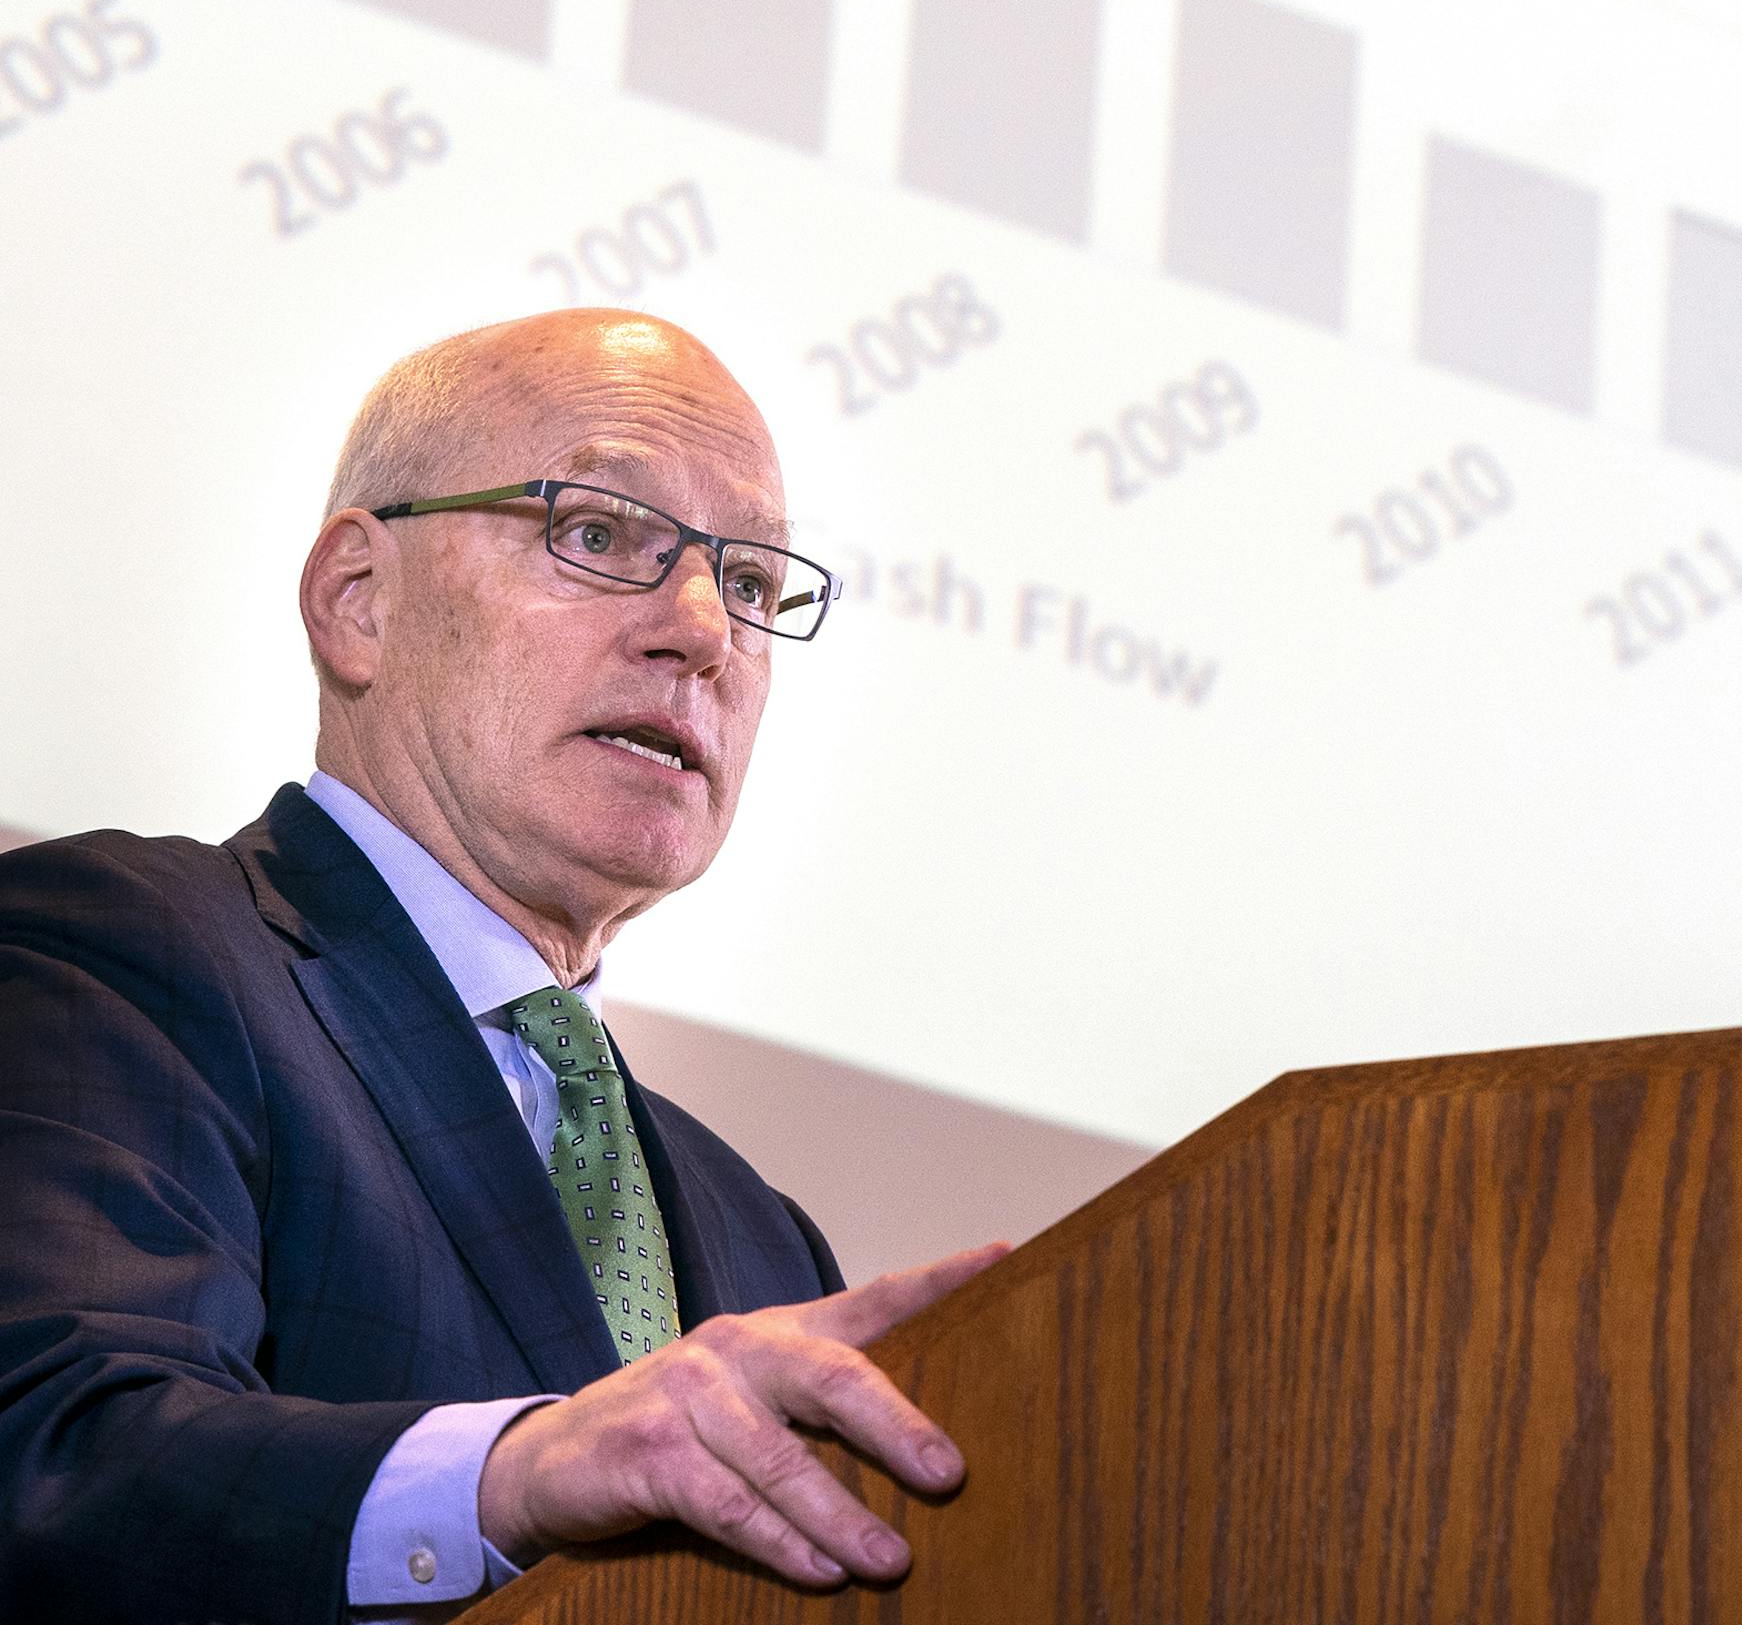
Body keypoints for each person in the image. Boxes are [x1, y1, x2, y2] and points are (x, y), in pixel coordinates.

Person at [0, 310, 1004, 1623]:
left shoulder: (764, 1231)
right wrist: (516, 1473)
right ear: (359, 600)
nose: (702, 627)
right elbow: (57, 1466)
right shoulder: (132, 954)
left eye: (752, 584)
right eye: (598, 534)